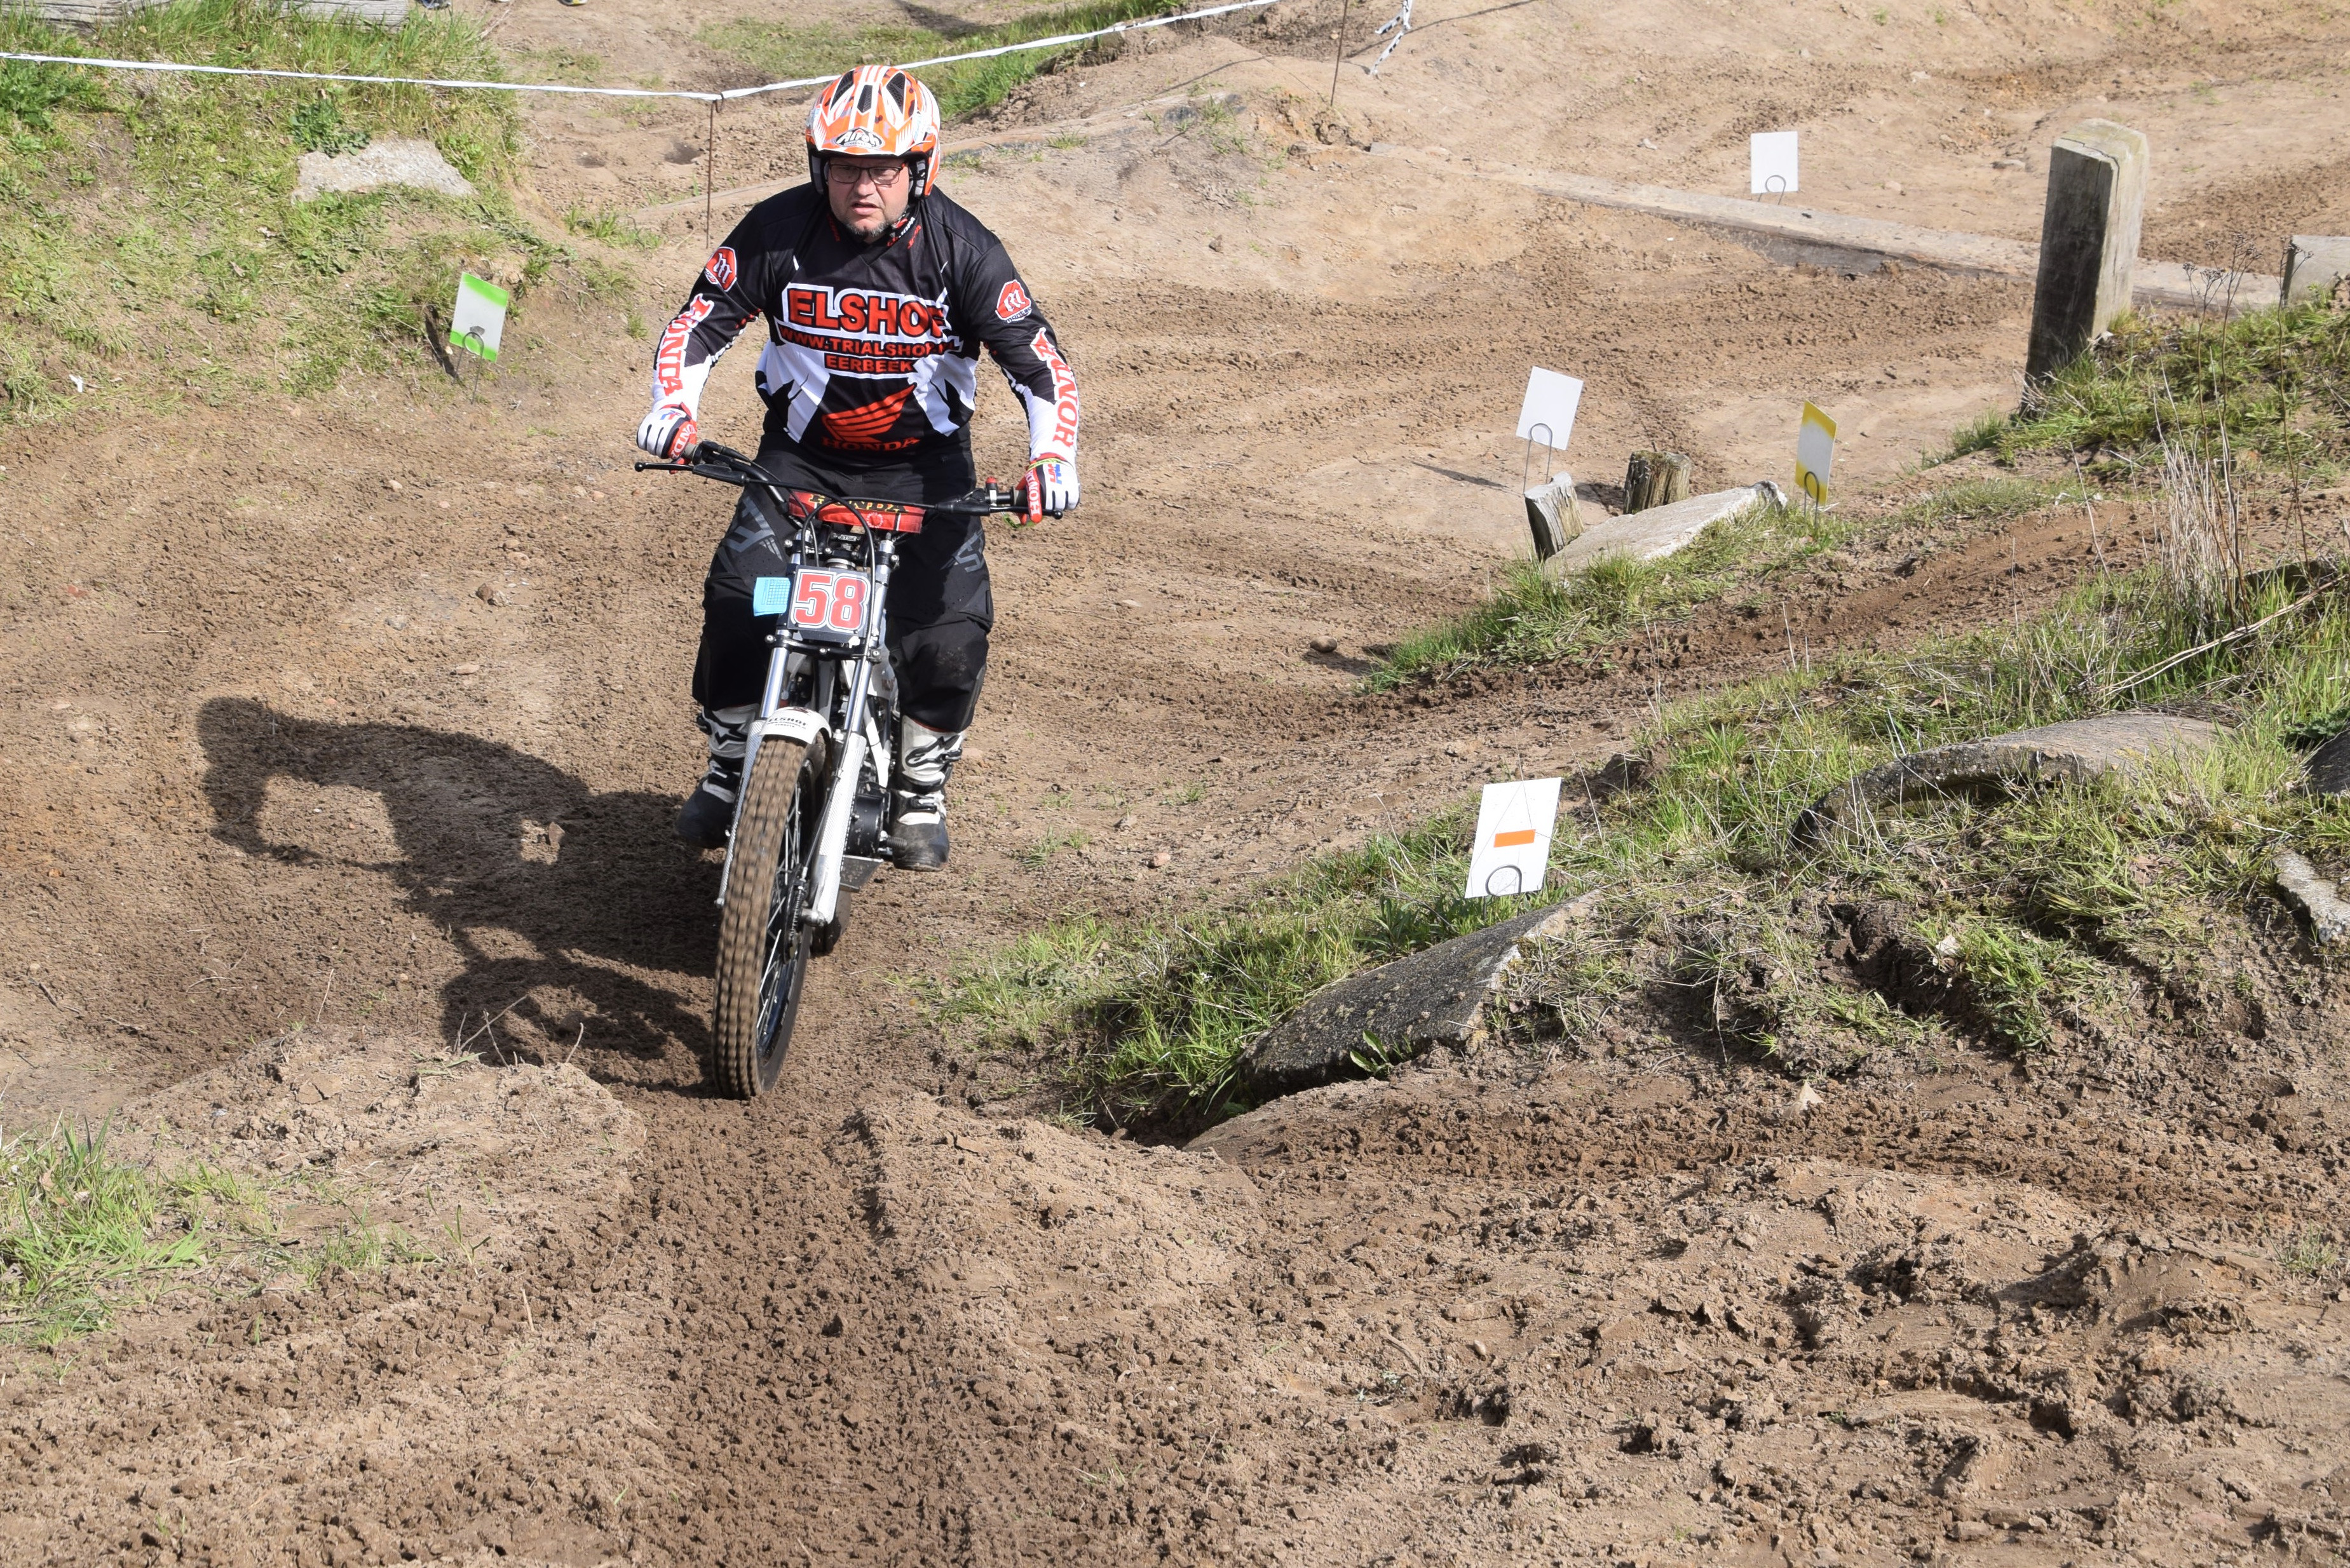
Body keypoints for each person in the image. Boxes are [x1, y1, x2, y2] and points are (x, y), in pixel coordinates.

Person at [635, 64, 1081, 870]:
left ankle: (919, 783)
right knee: (742, 600)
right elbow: (698, 323)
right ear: (820, 167)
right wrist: (673, 407)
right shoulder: (776, 230)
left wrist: (1052, 454)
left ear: (920, 169)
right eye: (844, 168)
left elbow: (1038, 361)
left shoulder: (964, 250)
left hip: (925, 475)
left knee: (945, 634)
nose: (862, 187)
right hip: (798, 465)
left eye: (881, 170)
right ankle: (731, 761)